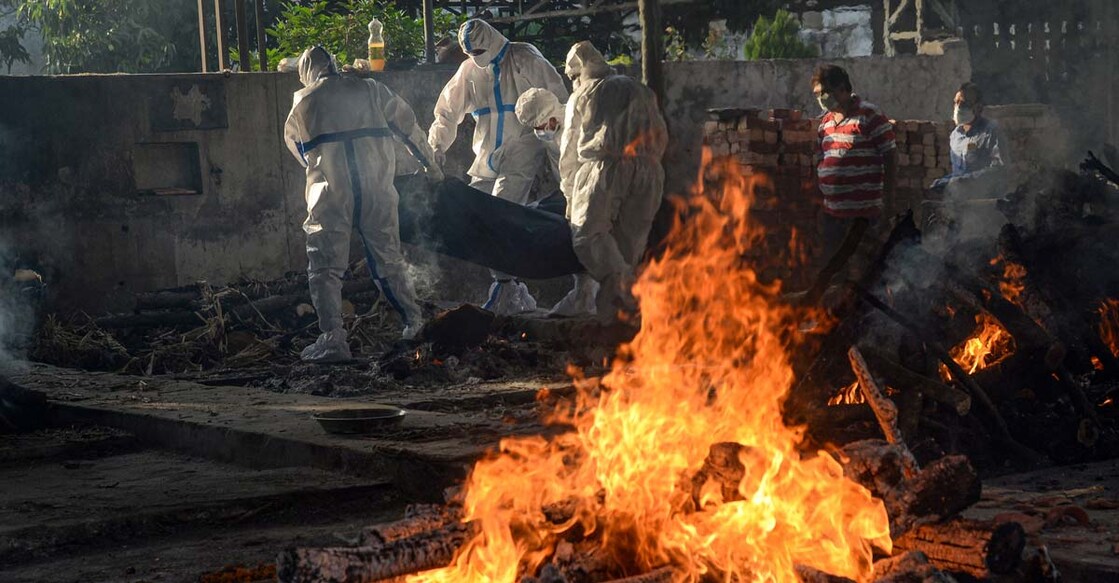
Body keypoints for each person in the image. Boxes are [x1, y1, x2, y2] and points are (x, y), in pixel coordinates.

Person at [284, 46, 442, 362]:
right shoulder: (369, 88)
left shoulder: (303, 101)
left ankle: (333, 340)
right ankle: (415, 323)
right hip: (377, 188)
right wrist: (431, 166)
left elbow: (301, 153)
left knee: (325, 267)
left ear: (307, 72)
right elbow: (407, 126)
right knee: (389, 259)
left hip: (330, 193)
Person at [428, 19, 569, 315]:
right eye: (470, 52)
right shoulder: (468, 70)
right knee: (476, 214)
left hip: (522, 147)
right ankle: (510, 289)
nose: (476, 56)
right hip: (485, 153)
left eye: (480, 49)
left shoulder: (524, 58)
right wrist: (436, 146)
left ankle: (506, 289)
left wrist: (560, 153)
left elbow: (556, 102)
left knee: (503, 213)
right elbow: (447, 112)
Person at [561, 41, 668, 321]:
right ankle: (624, 320)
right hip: (650, 170)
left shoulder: (584, 93)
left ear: (577, 72)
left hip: (604, 168)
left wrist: (570, 195)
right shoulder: (637, 87)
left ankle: (626, 296)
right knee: (628, 245)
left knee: (588, 236)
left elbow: (569, 150)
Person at [515, 87, 599, 317]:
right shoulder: (550, 127)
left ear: (552, 116)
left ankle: (587, 298)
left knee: (588, 240)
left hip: (591, 192)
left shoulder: (576, 126)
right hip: (569, 192)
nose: (540, 132)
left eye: (541, 127)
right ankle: (583, 295)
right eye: (535, 128)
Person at [813, 64, 897, 253]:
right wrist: (819, 206)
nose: (821, 99)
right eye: (818, 95)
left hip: (864, 216)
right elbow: (820, 163)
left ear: (842, 88)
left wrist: (889, 203)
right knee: (834, 271)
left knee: (864, 271)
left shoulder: (870, 115)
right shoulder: (825, 123)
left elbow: (890, 157)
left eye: (825, 93)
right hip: (833, 215)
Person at [929, 82, 1008, 197]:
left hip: (984, 202)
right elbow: (958, 174)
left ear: (978, 107)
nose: (958, 108)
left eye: (964, 103)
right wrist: (943, 182)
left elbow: (999, 170)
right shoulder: (956, 136)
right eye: (956, 102)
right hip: (959, 201)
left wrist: (964, 181)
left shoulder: (991, 131)